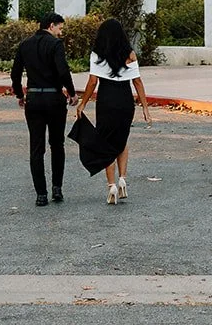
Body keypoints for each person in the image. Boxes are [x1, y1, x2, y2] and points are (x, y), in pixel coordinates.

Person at [72, 18, 151, 204]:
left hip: (106, 101)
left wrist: (83, 104)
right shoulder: (130, 54)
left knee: (106, 142)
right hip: (125, 100)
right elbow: (137, 82)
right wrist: (145, 108)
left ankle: (112, 185)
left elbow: (92, 82)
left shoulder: (97, 54)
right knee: (122, 139)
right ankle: (123, 178)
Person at [11, 12, 78, 206]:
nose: (60, 32)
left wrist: (20, 94)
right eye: (59, 28)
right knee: (57, 144)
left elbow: (15, 73)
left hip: (33, 99)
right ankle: (57, 188)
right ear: (51, 26)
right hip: (54, 98)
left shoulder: (25, 45)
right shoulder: (55, 45)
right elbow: (63, 70)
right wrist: (72, 93)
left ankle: (41, 194)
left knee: (36, 147)